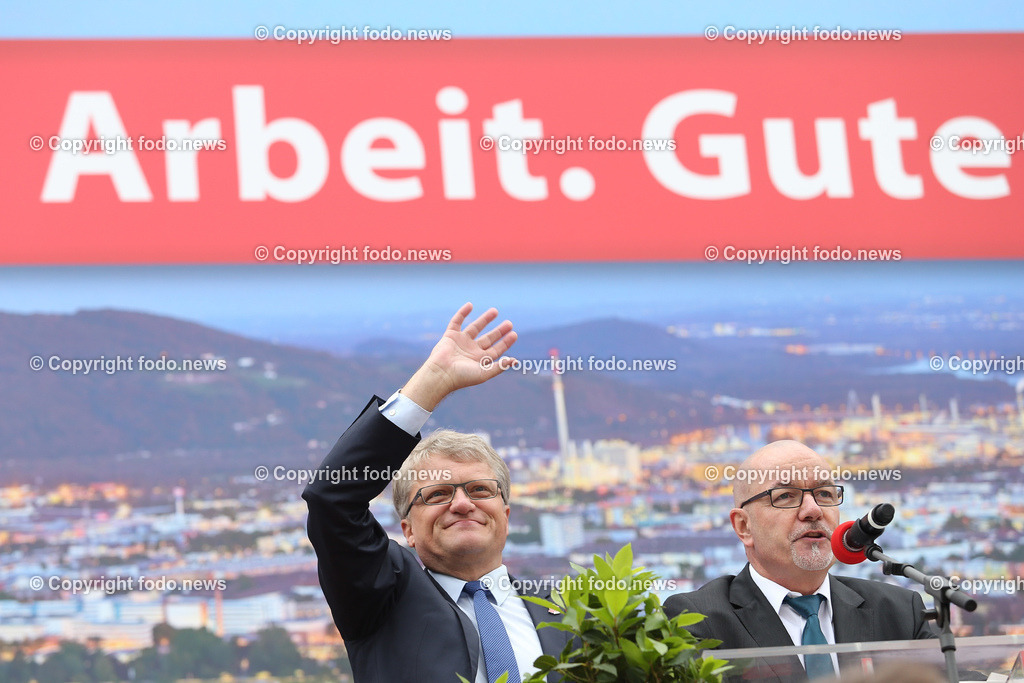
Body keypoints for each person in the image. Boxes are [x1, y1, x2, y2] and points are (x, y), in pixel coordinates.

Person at [303, 303, 569, 683]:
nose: (462, 504)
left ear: (505, 515)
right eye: (438, 494)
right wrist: (435, 378)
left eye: (480, 489)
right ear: (407, 528)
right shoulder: (381, 599)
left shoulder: (566, 613)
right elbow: (332, 499)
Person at [664, 440, 936, 682]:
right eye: (785, 496)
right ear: (744, 526)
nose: (813, 510)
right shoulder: (698, 619)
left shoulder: (900, 612)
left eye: (825, 494)